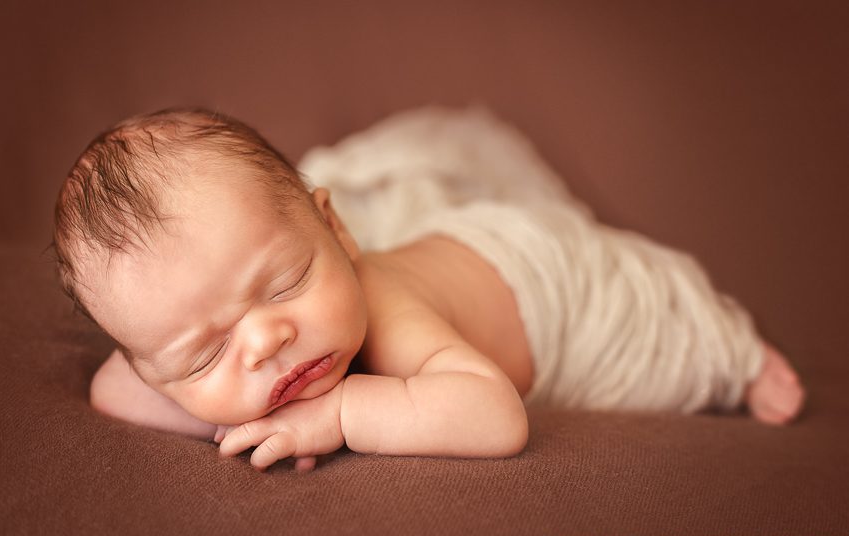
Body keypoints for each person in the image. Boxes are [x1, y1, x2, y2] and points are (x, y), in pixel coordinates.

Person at [52, 107, 805, 472]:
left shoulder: (384, 311)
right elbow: (115, 389)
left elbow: (493, 416)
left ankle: (741, 353)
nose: (265, 341)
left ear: (337, 233)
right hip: (470, 254)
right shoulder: (183, 356)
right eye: (203, 352)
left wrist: (343, 409)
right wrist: (191, 389)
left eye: (285, 282)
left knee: (666, 323)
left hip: (551, 283)